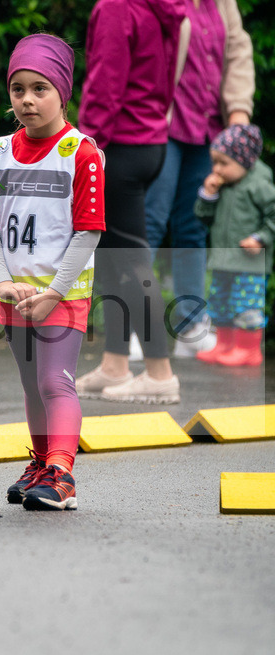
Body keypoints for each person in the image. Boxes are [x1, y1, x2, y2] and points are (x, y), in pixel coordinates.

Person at [0, 34, 104, 511]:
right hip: (17, 296)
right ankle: (41, 462)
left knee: (56, 382)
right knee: (32, 386)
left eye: (40, 88)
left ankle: (63, 473)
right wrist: (1, 283)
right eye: (18, 89)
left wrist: (53, 291)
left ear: (62, 92)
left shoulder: (81, 153)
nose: (27, 99)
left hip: (63, 293)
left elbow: (88, 233)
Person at [74, 0, 185, 404]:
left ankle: (159, 373)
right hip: (149, 137)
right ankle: (115, 364)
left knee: (133, 258)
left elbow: (106, 82)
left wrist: (87, 147)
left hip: (120, 144)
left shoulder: (117, 7)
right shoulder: (158, 6)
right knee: (109, 255)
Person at [143, 0, 254, 359]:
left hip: (208, 130)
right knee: (150, 222)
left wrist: (238, 114)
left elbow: (237, 51)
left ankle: (191, 324)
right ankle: (134, 328)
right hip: (164, 126)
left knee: (193, 227)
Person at [194, 124, 273, 367]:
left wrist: (260, 238)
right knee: (221, 304)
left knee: (246, 306)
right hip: (222, 261)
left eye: (223, 163)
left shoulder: (259, 185)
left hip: (249, 264)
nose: (217, 169)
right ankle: (224, 345)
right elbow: (203, 217)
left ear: (245, 161)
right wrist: (208, 196)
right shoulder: (223, 185)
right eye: (214, 162)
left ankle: (248, 350)